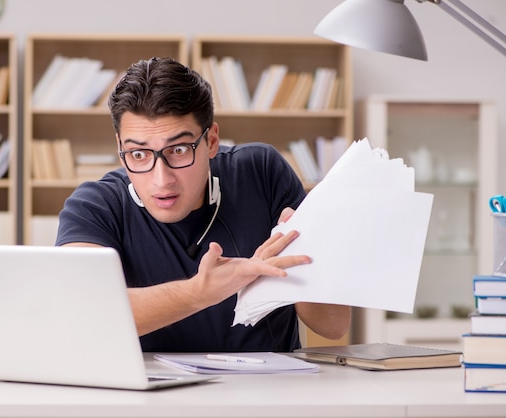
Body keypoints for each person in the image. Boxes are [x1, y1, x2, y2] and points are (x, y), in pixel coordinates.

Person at [56, 56, 351, 352]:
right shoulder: (95, 205)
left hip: (265, 391)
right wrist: (200, 292)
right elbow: (81, 312)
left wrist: (295, 265)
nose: (162, 179)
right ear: (120, 149)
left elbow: (333, 326)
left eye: (179, 149)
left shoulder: (261, 171)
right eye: (138, 154)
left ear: (211, 141)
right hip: (149, 394)